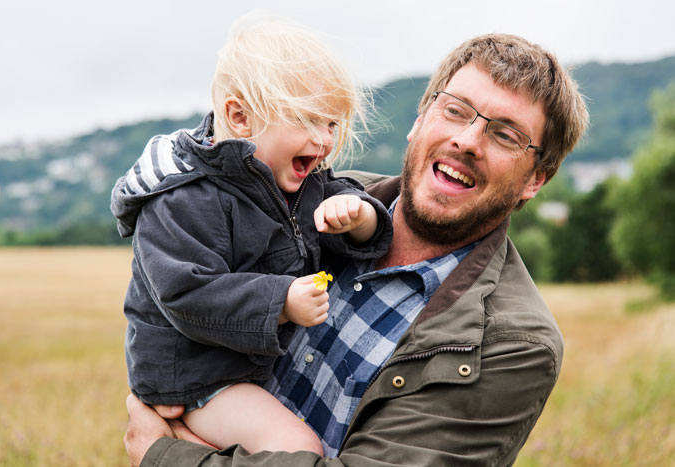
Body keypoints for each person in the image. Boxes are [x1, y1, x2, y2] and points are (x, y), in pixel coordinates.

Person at [124, 32, 589, 466]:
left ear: (535, 180)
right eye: (455, 110)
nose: (467, 140)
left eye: (505, 134)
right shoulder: (309, 195)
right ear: (420, 119)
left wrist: (162, 454)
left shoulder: (514, 346)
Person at [110, 13, 393, 456]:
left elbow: (331, 223)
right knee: (297, 448)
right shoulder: (184, 196)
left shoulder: (298, 178)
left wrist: (360, 218)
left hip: (244, 361)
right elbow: (188, 294)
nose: (324, 140)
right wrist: (280, 301)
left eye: (332, 125)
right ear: (239, 117)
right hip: (196, 374)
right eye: (307, 120)